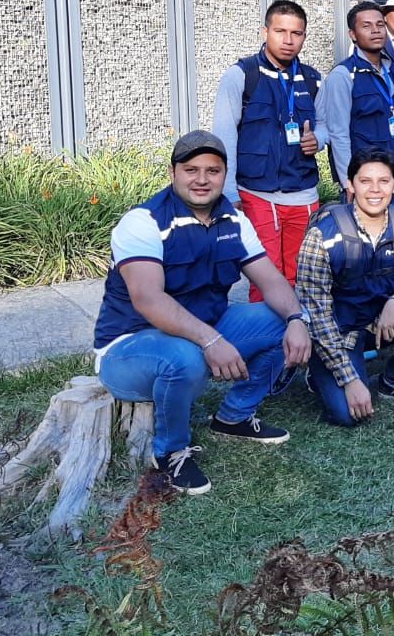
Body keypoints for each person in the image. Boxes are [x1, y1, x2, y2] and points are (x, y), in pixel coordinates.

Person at [93, 131, 312, 495]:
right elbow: (149, 300)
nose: (201, 179)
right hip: (127, 348)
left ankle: (234, 417)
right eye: (191, 169)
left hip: (202, 330)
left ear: (225, 174)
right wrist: (211, 340)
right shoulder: (143, 221)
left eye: (213, 171)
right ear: (172, 172)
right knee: (185, 358)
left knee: (278, 321)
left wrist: (297, 320)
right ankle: (170, 452)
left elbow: (272, 282)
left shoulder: (234, 221)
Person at [295, 149, 394, 425]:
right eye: (365, 181)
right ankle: (322, 369)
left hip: (386, 321)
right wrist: (349, 380)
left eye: (383, 181)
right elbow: (317, 316)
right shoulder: (322, 234)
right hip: (339, 331)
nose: (375, 190)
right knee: (348, 415)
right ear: (350, 185)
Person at [212, 0, 326, 303]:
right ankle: (269, 346)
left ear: (304, 36)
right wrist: (229, 193)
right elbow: (224, 136)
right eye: (280, 31)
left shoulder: (314, 80)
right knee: (265, 276)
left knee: (303, 274)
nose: (288, 40)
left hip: (303, 193)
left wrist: (319, 139)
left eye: (297, 33)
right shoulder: (241, 75)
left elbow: (327, 125)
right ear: (265, 31)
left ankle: (301, 339)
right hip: (257, 194)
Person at [323, 0, 394, 203]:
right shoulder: (343, 75)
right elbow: (339, 134)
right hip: (364, 184)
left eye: (380, 25)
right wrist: (348, 182)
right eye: (366, 26)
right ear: (352, 35)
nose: (376, 31)